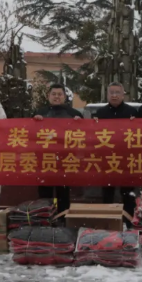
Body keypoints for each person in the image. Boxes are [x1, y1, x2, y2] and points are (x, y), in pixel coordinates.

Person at [32, 83, 83, 212]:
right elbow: (31, 134)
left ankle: (63, 218)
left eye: (59, 94)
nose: (56, 97)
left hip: (65, 160)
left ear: (64, 97)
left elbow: (84, 135)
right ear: (48, 96)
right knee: (44, 195)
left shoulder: (74, 114)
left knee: (63, 194)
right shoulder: (40, 113)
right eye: (53, 94)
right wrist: (34, 122)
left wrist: (80, 123)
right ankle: (44, 217)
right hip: (45, 159)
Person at [95, 82, 138, 215]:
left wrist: (137, 123)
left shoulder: (132, 112)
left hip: (127, 158)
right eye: (111, 92)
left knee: (128, 192)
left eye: (117, 92)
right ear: (107, 95)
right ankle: (108, 219)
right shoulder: (100, 113)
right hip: (107, 158)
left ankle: (129, 219)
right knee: (107, 192)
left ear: (123, 95)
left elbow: (141, 134)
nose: (114, 95)